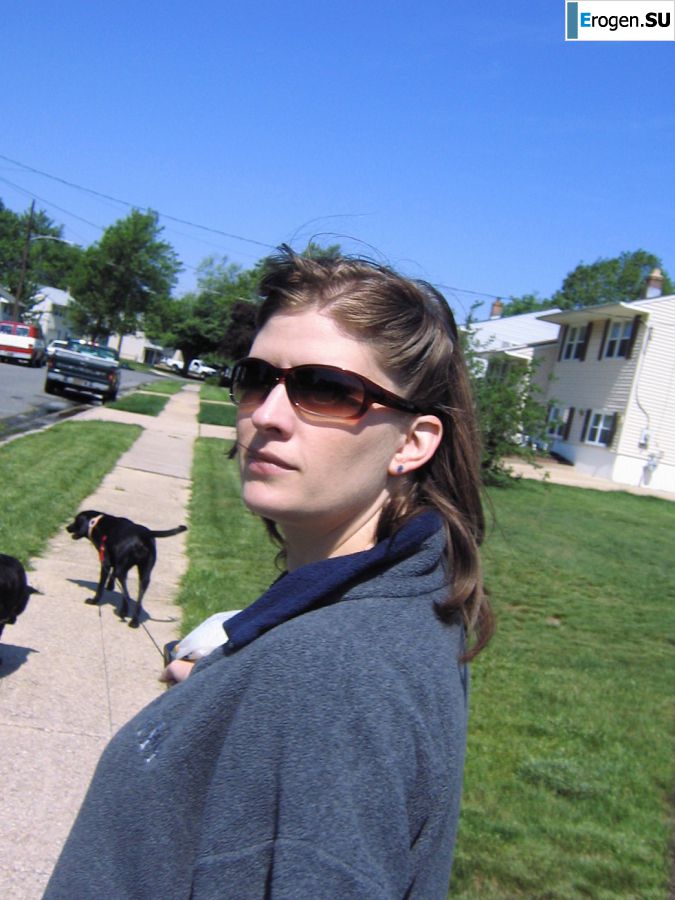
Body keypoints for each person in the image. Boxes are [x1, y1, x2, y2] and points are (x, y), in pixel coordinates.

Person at [45, 246, 493, 899]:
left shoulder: (332, 683)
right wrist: (229, 688)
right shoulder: (408, 601)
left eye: (327, 390)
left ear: (413, 441)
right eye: (257, 378)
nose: (267, 415)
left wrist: (270, 687)